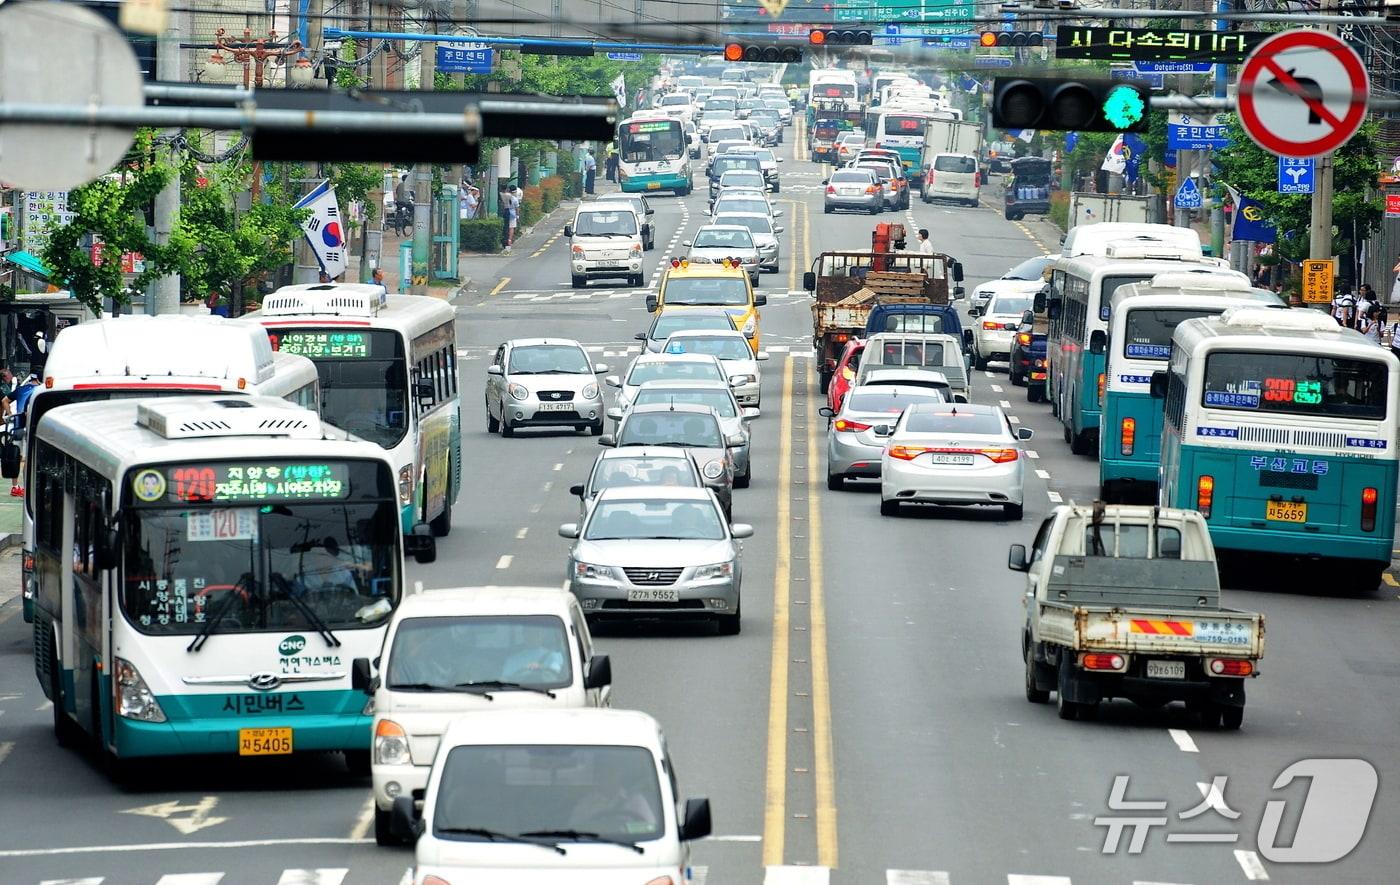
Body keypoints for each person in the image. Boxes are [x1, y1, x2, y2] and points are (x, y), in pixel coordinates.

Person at [9, 374, 39, 497]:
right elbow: (28, 412)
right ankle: (27, 489)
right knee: (28, 459)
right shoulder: (39, 391)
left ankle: (15, 487)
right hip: (29, 429)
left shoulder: (21, 389)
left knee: (16, 457)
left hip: (17, 427)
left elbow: (4, 401)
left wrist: (10, 415)